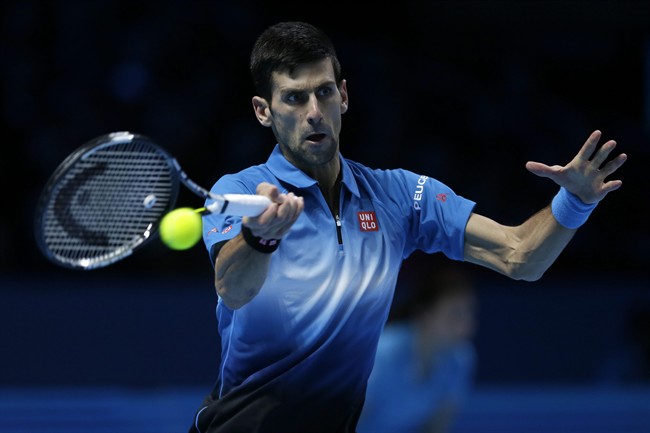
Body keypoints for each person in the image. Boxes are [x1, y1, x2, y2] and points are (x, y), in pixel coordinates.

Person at [190, 21, 627, 433]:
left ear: (344, 96)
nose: (314, 113)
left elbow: (519, 257)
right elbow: (233, 288)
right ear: (263, 111)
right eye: (294, 98)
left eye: (324, 92)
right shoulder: (239, 191)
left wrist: (574, 203)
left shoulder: (398, 196)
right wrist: (262, 235)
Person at [356, 259, 478, 433]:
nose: (466, 327)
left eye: (469, 315)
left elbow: (436, 427)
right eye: (455, 316)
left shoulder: (462, 359)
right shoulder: (381, 355)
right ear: (425, 315)